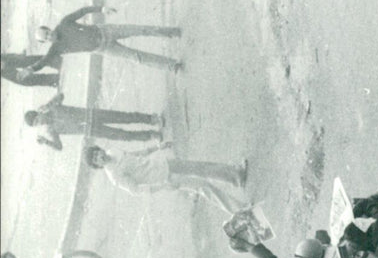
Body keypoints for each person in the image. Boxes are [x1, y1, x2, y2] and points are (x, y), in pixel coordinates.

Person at [85, 144, 248, 214]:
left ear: (99, 149)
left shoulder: (112, 151)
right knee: (203, 186)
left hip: (162, 163)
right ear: (96, 165)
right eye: (95, 159)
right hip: (164, 177)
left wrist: (157, 147)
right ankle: (240, 210)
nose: (99, 156)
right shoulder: (115, 175)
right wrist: (162, 186)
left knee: (200, 166)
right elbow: (136, 190)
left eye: (97, 153)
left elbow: (136, 154)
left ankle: (235, 175)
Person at [27, 4, 181, 74]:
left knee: (140, 29)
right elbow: (44, 61)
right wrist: (31, 69)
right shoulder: (55, 49)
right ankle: (171, 66)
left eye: (46, 32)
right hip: (104, 49)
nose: (49, 36)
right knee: (136, 57)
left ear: (48, 28)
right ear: (46, 42)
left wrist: (101, 9)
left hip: (107, 31)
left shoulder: (64, 23)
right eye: (46, 38)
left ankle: (172, 32)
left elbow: (83, 11)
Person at [25, 93, 162, 149]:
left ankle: (152, 119)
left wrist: (48, 104)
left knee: (125, 117)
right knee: (123, 136)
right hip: (92, 130)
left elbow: (61, 95)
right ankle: (151, 135)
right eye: (36, 124)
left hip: (94, 115)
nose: (40, 123)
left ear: (38, 113)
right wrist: (45, 142)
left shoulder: (52, 108)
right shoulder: (51, 130)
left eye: (37, 119)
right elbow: (59, 147)